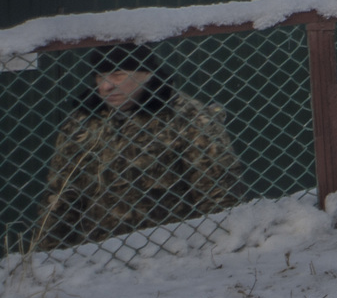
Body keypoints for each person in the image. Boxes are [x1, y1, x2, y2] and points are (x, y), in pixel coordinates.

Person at [35, 43, 240, 252]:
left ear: (147, 74)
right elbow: (61, 196)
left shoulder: (189, 119)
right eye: (99, 77)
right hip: (95, 254)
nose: (106, 86)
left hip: (170, 251)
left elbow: (217, 196)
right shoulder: (81, 122)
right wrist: (48, 255)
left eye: (118, 75)